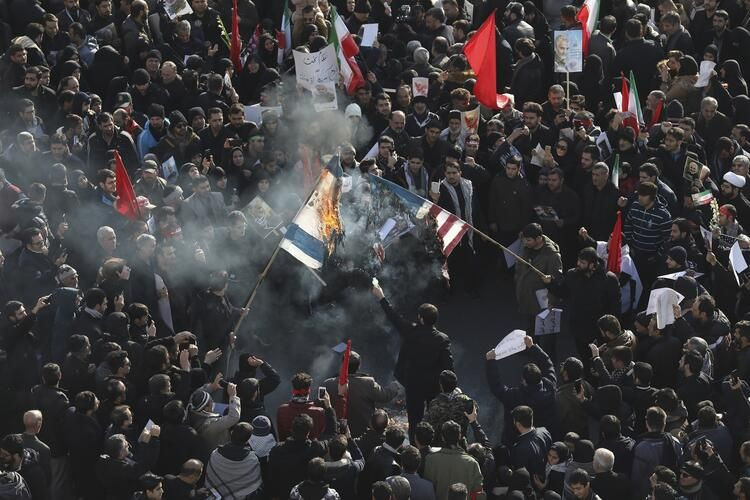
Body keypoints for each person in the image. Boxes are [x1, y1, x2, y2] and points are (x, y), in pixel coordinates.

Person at [371, 281, 453, 438]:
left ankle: (416, 445)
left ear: (421, 319)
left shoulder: (411, 332)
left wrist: (381, 297)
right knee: (433, 415)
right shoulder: (443, 339)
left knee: (414, 418)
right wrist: (451, 387)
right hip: (433, 385)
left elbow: (393, 317)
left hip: (413, 383)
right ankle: (432, 440)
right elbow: (448, 366)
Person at [204, 422, 262, 499]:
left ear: (231, 433)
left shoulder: (215, 454)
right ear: (248, 439)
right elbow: (253, 485)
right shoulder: (252, 459)